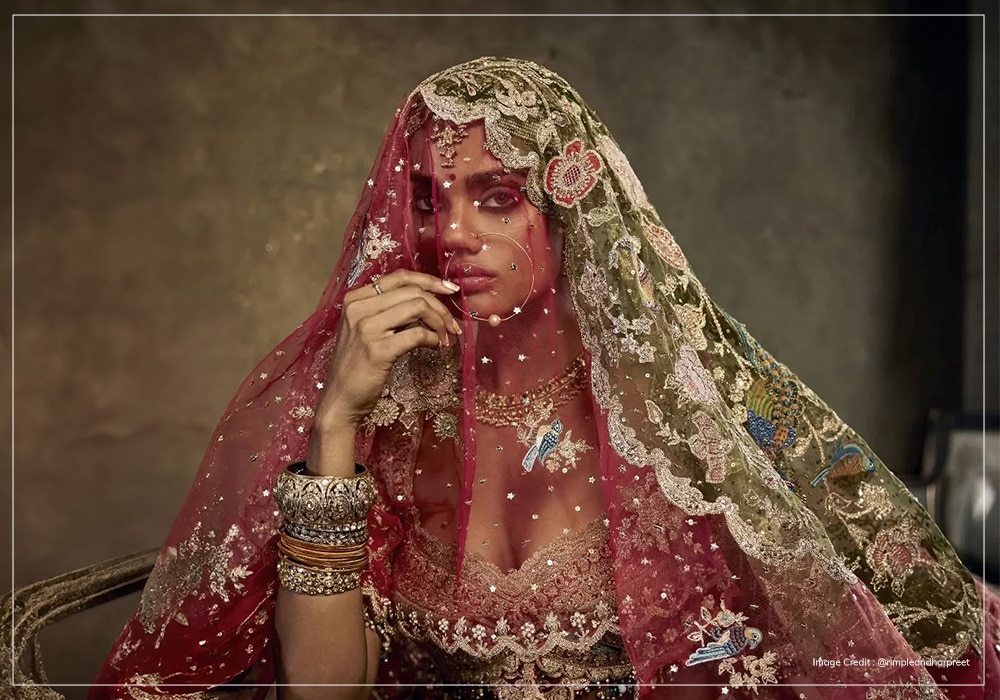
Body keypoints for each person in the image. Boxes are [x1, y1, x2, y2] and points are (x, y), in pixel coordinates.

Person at [91, 57, 1000, 700]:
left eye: (495, 197)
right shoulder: (394, 425)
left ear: (572, 214)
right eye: (427, 201)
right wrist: (334, 425)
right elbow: (326, 693)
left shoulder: (674, 426)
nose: (451, 234)